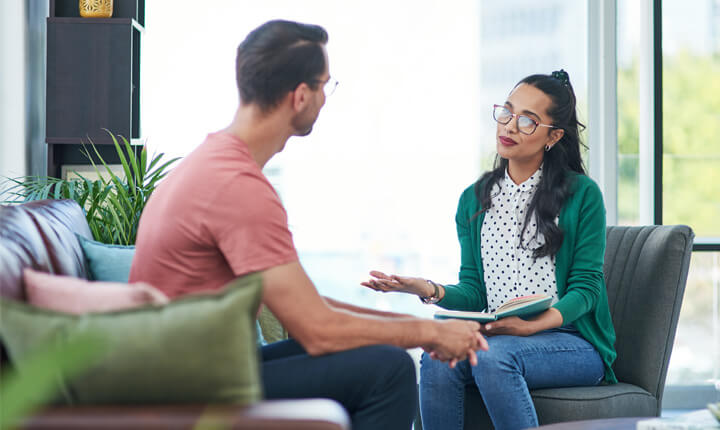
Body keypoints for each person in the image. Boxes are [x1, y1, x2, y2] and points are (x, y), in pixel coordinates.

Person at [129, 20, 488, 430]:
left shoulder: (213, 163)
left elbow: (311, 309)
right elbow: (318, 330)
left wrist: (425, 331)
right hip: (191, 386)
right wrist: (428, 334)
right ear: (300, 96)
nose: (324, 97)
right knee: (389, 370)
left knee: (374, 356)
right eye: (324, 86)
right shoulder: (238, 187)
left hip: (199, 368)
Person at [362, 70, 617, 430]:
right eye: (507, 112)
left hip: (572, 342)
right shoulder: (474, 200)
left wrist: (529, 329)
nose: (510, 126)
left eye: (527, 120)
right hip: (500, 334)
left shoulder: (582, 194)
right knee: (437, 357)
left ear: (554, 135)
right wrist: (428, 290)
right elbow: (475, 293)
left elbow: (586, 289)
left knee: (494, 357)